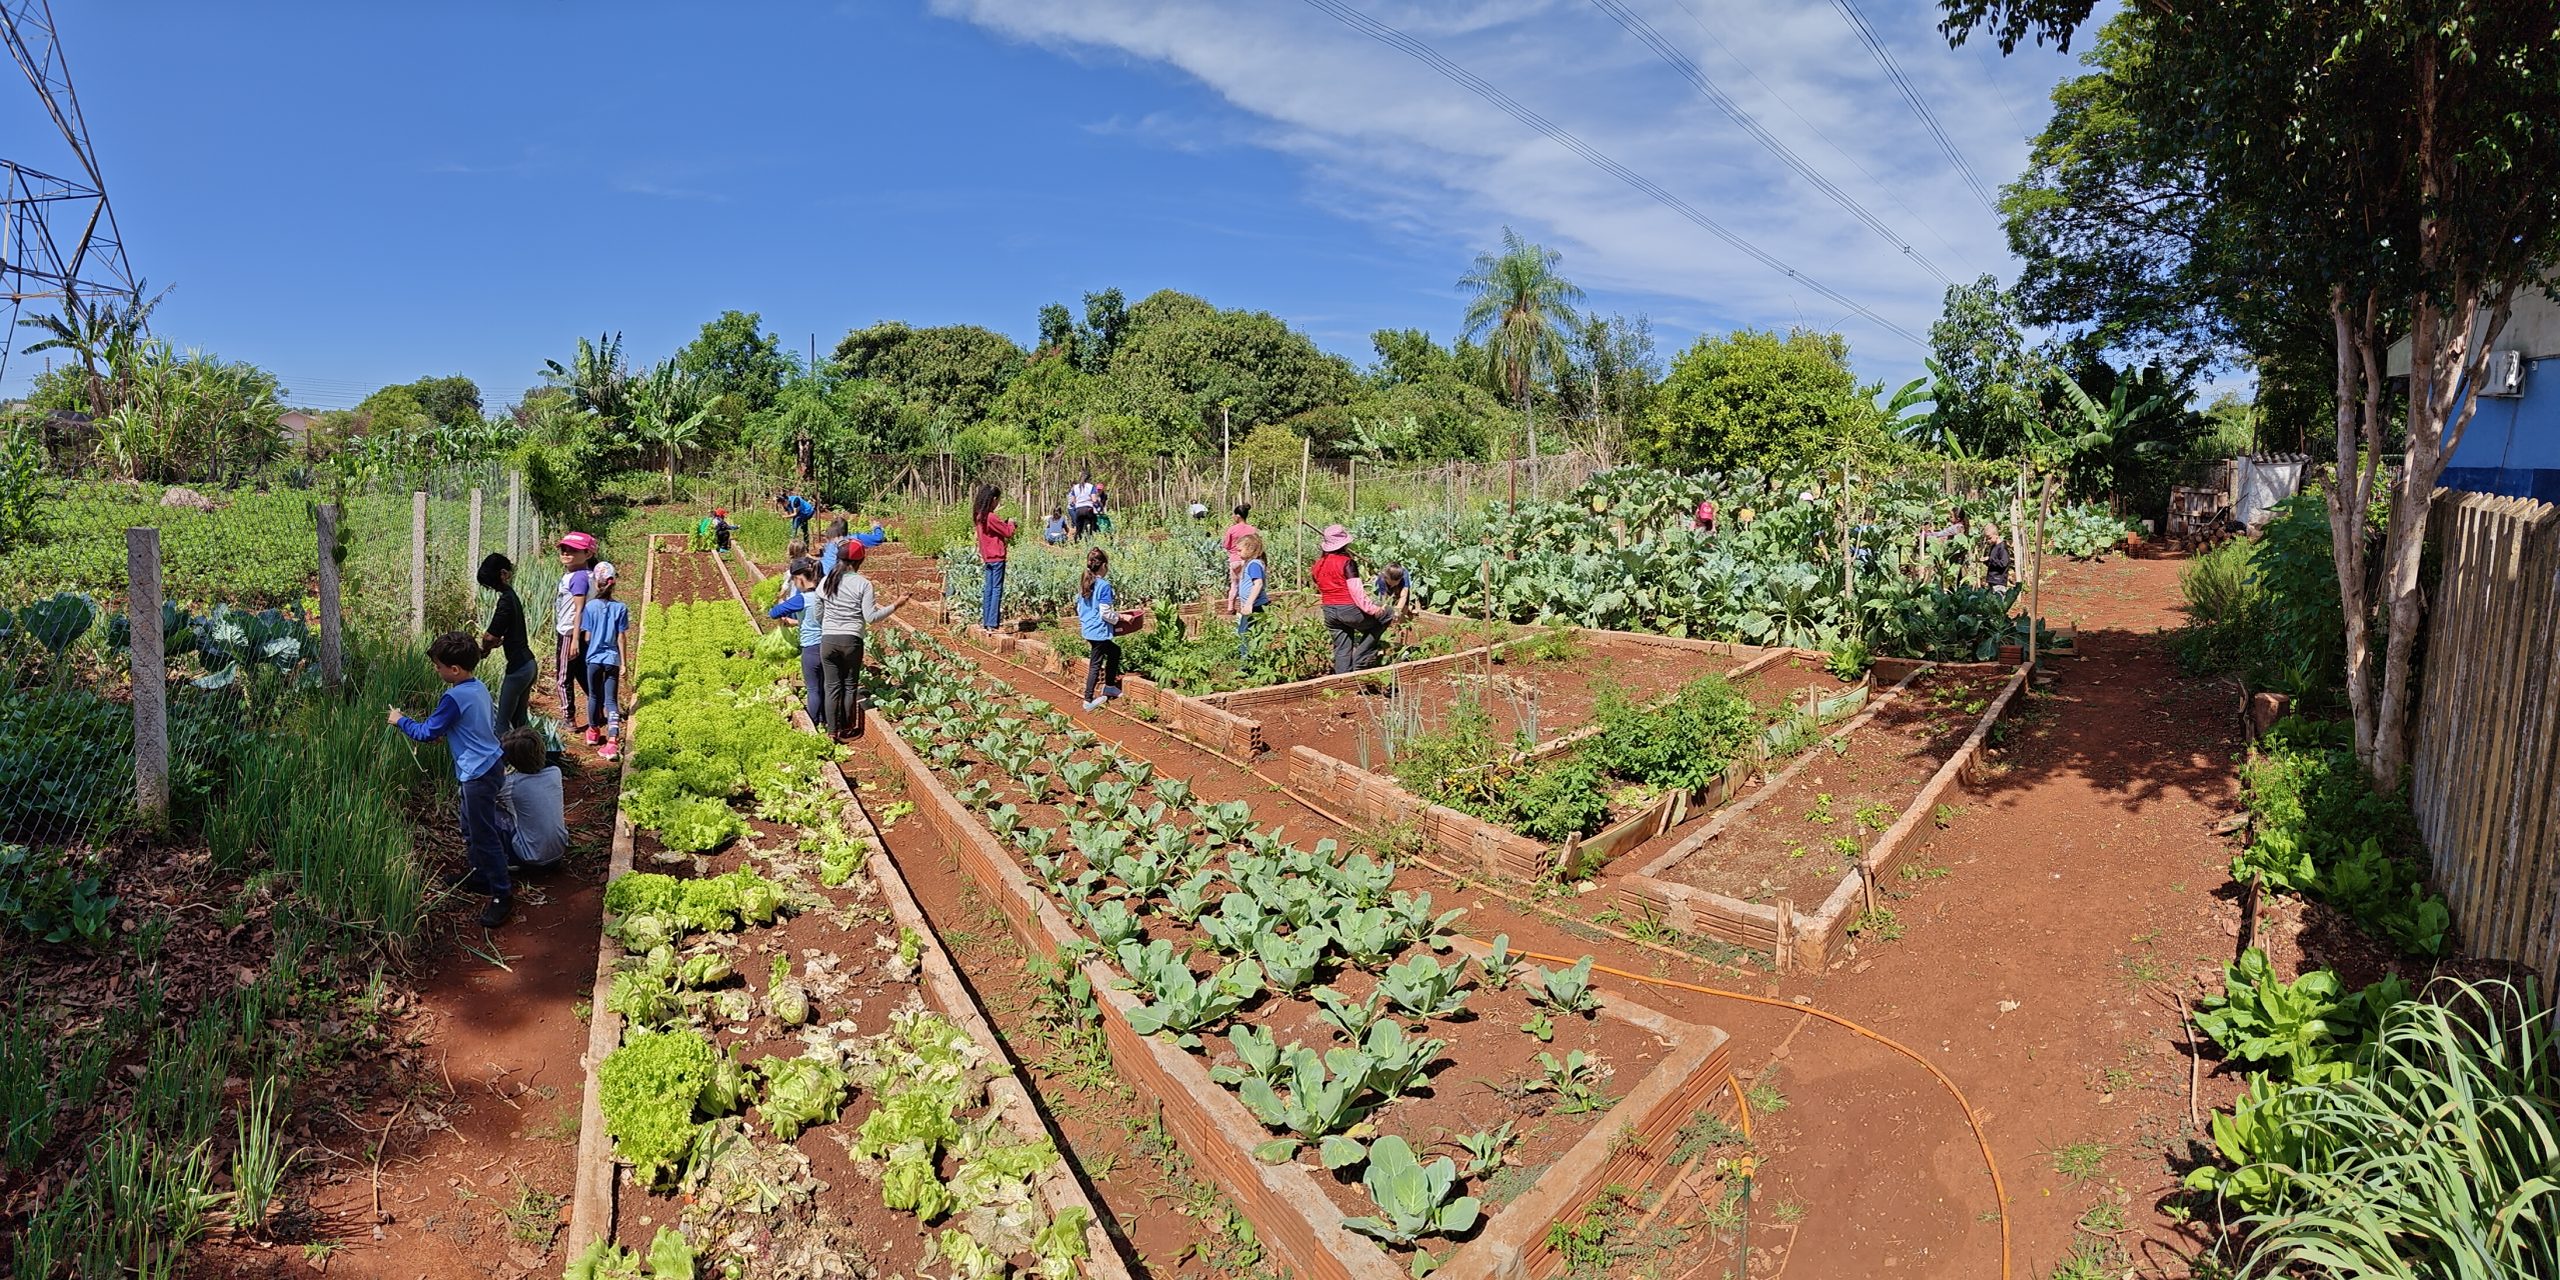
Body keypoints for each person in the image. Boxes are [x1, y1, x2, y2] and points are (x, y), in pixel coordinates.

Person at [389, 631, 514, 928]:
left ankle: (502, 893)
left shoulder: (453, 697)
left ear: (454, 670)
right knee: (470, 826)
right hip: (490, 763)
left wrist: (399, 720)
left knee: (483, 834)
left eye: (438, 666)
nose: (437, 670)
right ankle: (480, 875)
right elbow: (466, 725)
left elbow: (426, 732)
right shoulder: (477, 687)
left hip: (477, 774)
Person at [816, 540, 906, 740]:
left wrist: (830, 626)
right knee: (849, 685)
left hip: (828, 640)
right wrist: (896, 605)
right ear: (860, 561)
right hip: (851, 641)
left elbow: (817, 613)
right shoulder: (863, 584)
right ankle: (847, 728)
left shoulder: (826, 581)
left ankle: (832, 731)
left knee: (831, 686)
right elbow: (871, 618)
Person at [1312, 524, 1393, 674]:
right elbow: (1356, 590)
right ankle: (1361, 658)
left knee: (1342, 646)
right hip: (1348, 609)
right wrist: (1373, 609)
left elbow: (1319, 584)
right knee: (1386, 614)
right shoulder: (1346, 562)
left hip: (1329, 611)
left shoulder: (1318, 564)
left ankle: (1342, 680)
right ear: (1345, 544)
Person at [477, 553, 538, 730]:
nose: (491, 587)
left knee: (502, 724)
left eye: (491, 582)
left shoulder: (505, 601)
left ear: (504, 574)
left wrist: (484, 650)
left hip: (519, 668)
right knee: (520, 721)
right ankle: (527, 754)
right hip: (529, 664)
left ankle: (503, 757)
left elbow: (490, 636)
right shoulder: (511, 596)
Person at [496, 728, 567, 872]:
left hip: (529, 858)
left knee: (491, 811)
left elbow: (478, 794)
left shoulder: (510, 785)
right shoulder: (555, 772)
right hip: (558, 852)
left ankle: (504, 860)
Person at [1075, 546, 1137, 710]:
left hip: (1089, 628)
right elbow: (1105, 614)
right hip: (1099, 631)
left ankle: (1109, 685)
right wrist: (1123, 618)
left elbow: (1080, 608)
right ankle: (1088, 700)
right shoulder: (1104, 586)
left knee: (1114, 651)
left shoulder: (1085, 581)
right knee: (1095, 664)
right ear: (1103, 565)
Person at [770, 557, 828, 730]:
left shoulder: (804, 598)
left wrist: (783, 612)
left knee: (813, 688)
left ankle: (812, 723)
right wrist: (796, 622)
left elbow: (774, 612)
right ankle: (827, 721)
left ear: (800, 579)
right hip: (831, 644)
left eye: (795, 580)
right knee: (826, 686)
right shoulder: (826, 594)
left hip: (812, 648)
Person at [579, 566, 631, 760]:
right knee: (611, 700)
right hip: (612, 660)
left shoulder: (590, 607)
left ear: (596, 583)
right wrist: (624, 663)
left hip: (593, 659)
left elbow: (587, 637)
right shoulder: (621, 608)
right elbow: (621, 638)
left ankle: (593, 731)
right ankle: (612, 740)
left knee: (594, 696)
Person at [552, 533, 598, 725]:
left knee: (563, 677)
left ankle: (568, 717)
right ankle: (599, 709)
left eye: (573, 550)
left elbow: (579, 609)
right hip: (581, 632)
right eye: (564, 549)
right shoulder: (583, 575)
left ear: (587, 554)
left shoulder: (578, 577)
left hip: (570, 633)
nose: (566, 552)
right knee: (582, 672)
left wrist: (574, 640)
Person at [971, 484, 1018, 632]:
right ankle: (992, 623)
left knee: (988, 589)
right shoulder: (991, 517)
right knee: (996, 589)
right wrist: (1011, 523)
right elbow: (1008, 532)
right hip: (997, 556)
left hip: (987, 557)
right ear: (993, 499)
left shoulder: (979, 515)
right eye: (997, 500)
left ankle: (986, 621)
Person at [1233, 532, 1269, 658]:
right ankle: (1248, 659)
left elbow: (1258, 584)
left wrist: (1249, 604)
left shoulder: (1254, 564)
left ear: (1250, 549)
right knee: (1243, 632)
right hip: (1252, 606)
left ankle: (1248, 662)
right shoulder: (1250, 563)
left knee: (1248, 634)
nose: (1238, 553)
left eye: (1240, 550)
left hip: (1255, 606)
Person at [1222, 503, 1259, 613]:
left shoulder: (1232, 529)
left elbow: (1226, 545)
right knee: (1247, 584)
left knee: (1234, 584)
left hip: (1235, 560)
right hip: (1248, 561)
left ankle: (1230, 607)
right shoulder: (1253, 530)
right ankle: (1245, 606)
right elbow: (1257, 545)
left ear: (1238, 516)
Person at [1067, 475, 1101, 541]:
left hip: (1079, 510)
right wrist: (1097, 504)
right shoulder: (1091, 486)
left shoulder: (1075, 487)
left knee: (1079, 527)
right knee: (1093, 524)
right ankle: (1090, 539)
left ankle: (1077, 541)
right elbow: (1094, 499)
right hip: (1088, 509)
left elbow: (1073, 501)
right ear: (1088, 479)